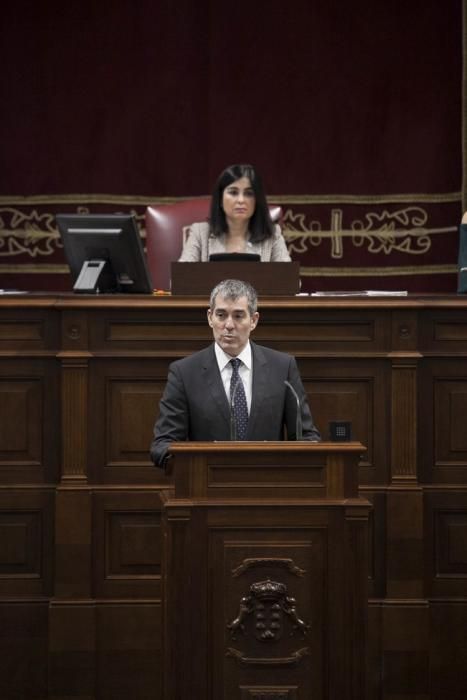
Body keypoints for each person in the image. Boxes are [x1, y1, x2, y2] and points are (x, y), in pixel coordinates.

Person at [150, 279, 320, 469]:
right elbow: (163, 444)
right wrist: (189, 466)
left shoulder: (282, 367)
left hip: (268, 486)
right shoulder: (184, 372)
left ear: (254, 320)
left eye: (238, 316)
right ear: (209, 317)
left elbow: (306, 436)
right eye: (221, 315)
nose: (229, 325)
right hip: (206, 487)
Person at [178, 163, 291, 262]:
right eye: (233, 192)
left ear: (257, 200)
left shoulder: (272, 235)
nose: (241, 200)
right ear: (220, 200)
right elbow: (179, 279)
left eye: (249, 193)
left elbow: (289, 281)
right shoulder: (200, 233)